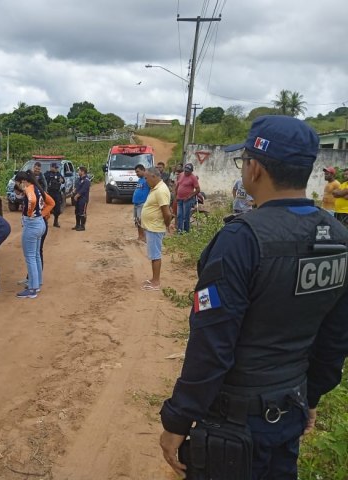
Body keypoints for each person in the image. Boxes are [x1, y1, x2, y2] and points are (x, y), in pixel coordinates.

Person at [159, 116, 348, 480]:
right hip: (290, 407)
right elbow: (336, 336)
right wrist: (312, 397)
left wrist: (178, 418)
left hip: (235, 425)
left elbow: (213, 344)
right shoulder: (338, 237)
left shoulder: (242, 240)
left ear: (256, 168)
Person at [15, 170, 46, 299]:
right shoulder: (37, 188)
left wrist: (28, 212)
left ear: (23, 181)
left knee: (30, 257)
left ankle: (32, 289)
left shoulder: (29, 189)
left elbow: (32, 201)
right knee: (36, 255)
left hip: (32, 225)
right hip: (40, 223)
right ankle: (37, 282)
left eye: (18, 183)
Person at [140, 167, 171, 291]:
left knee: (155, 255)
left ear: (154, 176)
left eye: (146, 178)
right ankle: (154, 279)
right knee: (153, 255)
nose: (145, 180)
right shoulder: (156, 188)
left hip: (155, 227)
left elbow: (167, 213)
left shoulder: (161, 190)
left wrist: (167, 225)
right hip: (152, 227)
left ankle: (156, 282)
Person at [174, 163, 200, 233]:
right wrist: (176, 194)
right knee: (179, 216)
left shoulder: (193, 178)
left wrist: (189, 197)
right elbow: (178, 185)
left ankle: (186, 231)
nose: (186, 172)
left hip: (187, 200)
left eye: (188, 171)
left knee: (186, 217)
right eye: (185, 170)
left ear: (191, 171)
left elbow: (198, 190)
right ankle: (179, 231)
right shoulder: (181, 174)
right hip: (179, 199)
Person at [132, 163, 150, 243]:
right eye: (136, 172)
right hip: (136, 204)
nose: (137, 174)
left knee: (141, 220)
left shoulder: (147, 180)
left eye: (138, 172)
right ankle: (140, 236)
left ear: (143, 170)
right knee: (137, 220)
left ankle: (145, 237)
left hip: (142, 203)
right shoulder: (140, 180)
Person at [44, 162, 65, 227]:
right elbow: (44, 182)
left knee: (57, 208)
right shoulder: (47, 174)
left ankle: (56, 221)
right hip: (50, 193)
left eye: (57, 168)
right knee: (47, 208)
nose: (56, 169)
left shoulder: (58, 174)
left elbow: (63, 181)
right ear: (51, 167)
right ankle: (45, 221)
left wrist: (62, 180)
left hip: (57, 193)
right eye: (55, 168)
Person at [72, 166, 91, 231]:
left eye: (79, 171)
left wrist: (76, 196)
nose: (78, 172)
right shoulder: (79, 179)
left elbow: (83, 190)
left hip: (83, 199)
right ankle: (77, 225)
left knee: (82, 212)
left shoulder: (86, 180)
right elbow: (77, 187)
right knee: (77, 211)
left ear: (82, 172)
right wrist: (74, 190)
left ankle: (82, 226)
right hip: (77, 199)